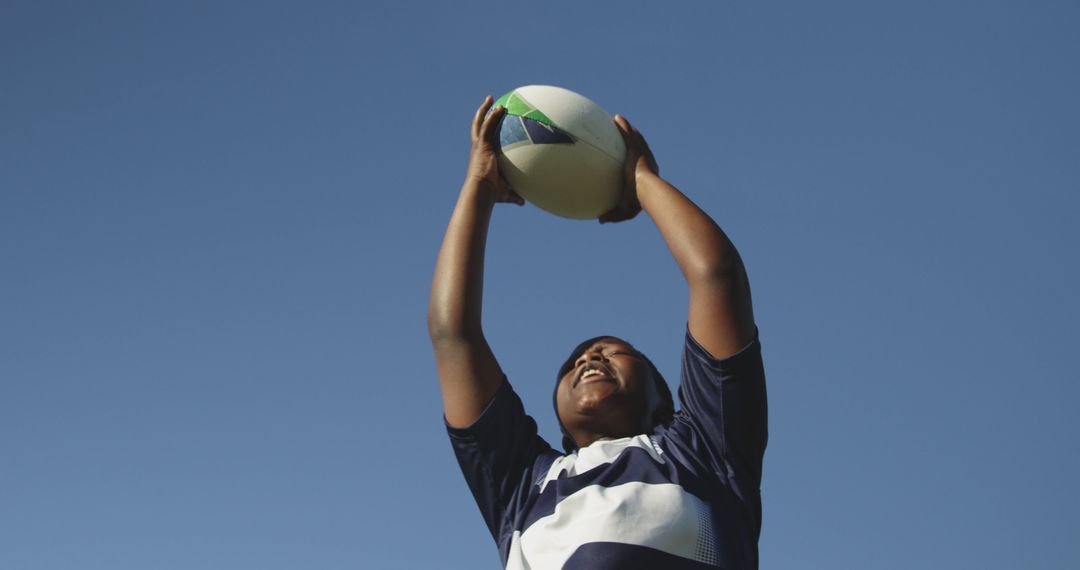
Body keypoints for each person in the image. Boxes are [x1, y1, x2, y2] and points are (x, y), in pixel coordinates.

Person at [428, 96, 767, 569]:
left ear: (661, 400)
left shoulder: (704, 450)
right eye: (573, 362)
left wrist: (643, 181)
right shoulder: (522, 484)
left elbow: (717, 274)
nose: (589, 359)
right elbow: (453, 333)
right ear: (558, 417)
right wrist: (478, 186)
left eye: (614, 352)